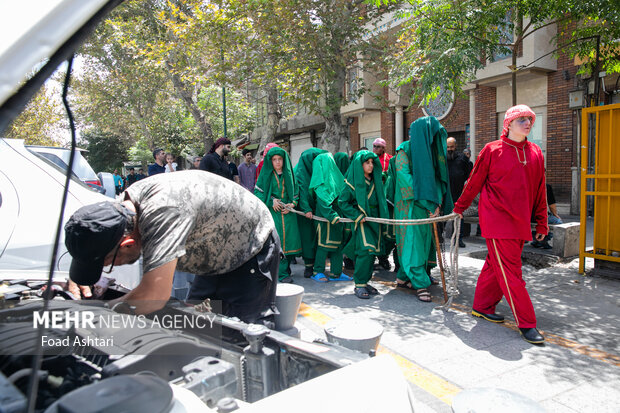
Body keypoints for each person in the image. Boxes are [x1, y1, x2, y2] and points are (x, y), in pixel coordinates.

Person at [63, 170, 279, 325]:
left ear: (127, 243)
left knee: (245, 334)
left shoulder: (163, 213)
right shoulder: (121, 209)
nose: (109, 268)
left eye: (109, 265)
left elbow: (153, 296)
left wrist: (97, 316)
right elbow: (93, 231)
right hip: (212, 246)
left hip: (250, 246)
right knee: (201, 326)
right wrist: (83, 270)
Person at [453, 104, 548, 345]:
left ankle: (481, 306)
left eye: (530, 119)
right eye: (521, 119)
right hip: (497, 221)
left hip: (521, 223)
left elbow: (540, 191)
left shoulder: (535, 151)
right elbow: (473, 183)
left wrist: (542, 223)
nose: (527, 123)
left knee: (495, 266)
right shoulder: (492, 150)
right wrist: (459, 208)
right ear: (508, 124)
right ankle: (527, 323)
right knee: (512, 273)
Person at [394, 117, 453, 302]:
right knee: (413, 244)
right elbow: (405, 179)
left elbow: (436, 178)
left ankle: (404, 277)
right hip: (410, 206)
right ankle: (420, 283)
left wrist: (436, 204)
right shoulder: (405, 149)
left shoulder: (432, 152)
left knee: (425, 243)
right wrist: (428, 203)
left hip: (429, 207)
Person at [339, 150, 389, 299]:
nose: (371, 165)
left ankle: (365, 282)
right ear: (359, 165)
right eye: (367, 163)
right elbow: (343, 202)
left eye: (372, 162)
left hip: (375, 220)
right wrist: (356, 215)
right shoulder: (351, 183)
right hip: (362, 221)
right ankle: (359, 284)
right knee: (365, 251)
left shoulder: (376, 181)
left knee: (372, 253)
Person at [254, 147, 301, 283]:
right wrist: (271, 201)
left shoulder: (290, 174)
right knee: (277, 242)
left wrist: (292, 204)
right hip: (273, 214)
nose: (277, 162)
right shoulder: (265, 175)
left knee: (289, 242)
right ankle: (281, 274)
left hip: (288, 214)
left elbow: (296, 192)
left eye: (280, 159)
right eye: (274, 160)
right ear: (271, 161)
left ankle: (284, 270)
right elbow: (258, 193)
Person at [309, 152, 352, 282]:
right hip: (325, 221)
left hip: (338, 220)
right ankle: (318, 271)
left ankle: (336, 273)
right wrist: (333, 216)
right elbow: (323, 204)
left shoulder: (338, 180)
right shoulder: (320, 185)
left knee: (338, 246)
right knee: (324, 245)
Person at [295, 147, 329, 278]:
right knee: (307, 237)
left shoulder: (318, 169)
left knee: (318, 236)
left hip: (318, 209)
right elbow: (301, 193)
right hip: (304, 212)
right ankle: (308, 266)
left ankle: (318, 264)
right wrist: (306, 209)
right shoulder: (300, 172)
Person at [446, 137, 473, 247]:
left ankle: (458, 239)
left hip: (458, 193)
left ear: (456, 146)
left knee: (459, 217)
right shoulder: (442, 158)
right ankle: (440, 238)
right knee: (443, 216)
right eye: (447, 147)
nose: (450, 149)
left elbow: (469, 174)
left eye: (451, 147)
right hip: (446, 193)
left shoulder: (462, 158)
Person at [531, 183, 562, 249]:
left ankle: (536, 240)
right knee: (557, 221)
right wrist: (555, 214)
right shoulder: (546, 186)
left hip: (526, 217)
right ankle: (543, 240)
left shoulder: (525, 185)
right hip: (539, 216)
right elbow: (551, 204)